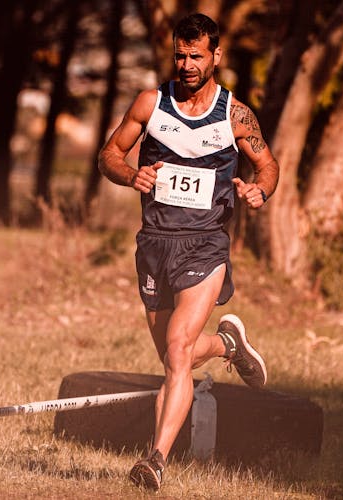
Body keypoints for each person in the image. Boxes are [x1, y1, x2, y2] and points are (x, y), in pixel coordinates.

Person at [97, 12, 279, 491]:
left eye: (196, 55)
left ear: (216, 56)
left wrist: (260, 190)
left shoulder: (234, 114)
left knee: (178, 350)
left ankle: (155, 460)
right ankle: (228, 345)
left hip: (205, 243)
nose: (187, 63)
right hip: (155, 243)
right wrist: (128, 173)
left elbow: (268, 164)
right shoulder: (151, 103)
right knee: (174, 357)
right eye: (180, 54)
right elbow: (110, 154)